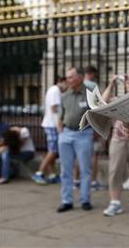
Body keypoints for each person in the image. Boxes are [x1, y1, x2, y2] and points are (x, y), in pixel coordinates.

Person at [102, 74, 129, 217]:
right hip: (118, 139)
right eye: (128, 82)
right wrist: (111, 83)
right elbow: (102, 102)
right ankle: (115, 203)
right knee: (114, 171)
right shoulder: (119, 100)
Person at [57, 67, 94, 213]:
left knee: (85, 169)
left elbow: (97, 114)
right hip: (66, 134)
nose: (68, 80)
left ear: (79, 78)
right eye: (67, 77)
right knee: (65, 170)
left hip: (83, 135)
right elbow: (61, 116)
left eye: (70, 77)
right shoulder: (65, 95)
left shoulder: (89, 94)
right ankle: (67, 201)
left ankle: (85, 200)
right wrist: (61, 131)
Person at [33, 77, 67, 185]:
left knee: (52, 150)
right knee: (53, 150)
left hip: (51, 124)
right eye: (67, 84)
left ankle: (52, 175)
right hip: (53, 125)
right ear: (62, 82)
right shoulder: (55, 90)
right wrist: (59, 123)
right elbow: (54, 109)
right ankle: (39, 172)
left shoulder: (54, 90)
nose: (68, 87)